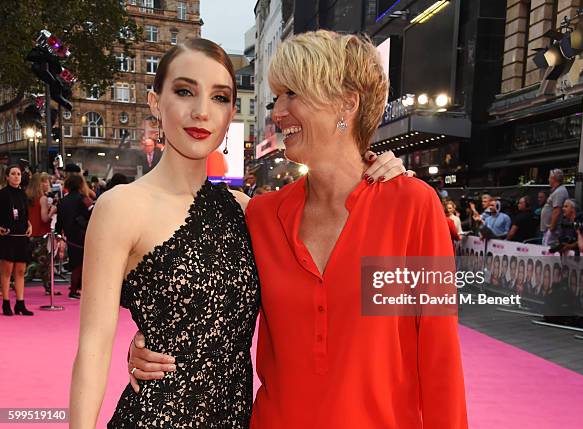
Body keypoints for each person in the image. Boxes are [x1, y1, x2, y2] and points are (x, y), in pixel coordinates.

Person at [129, 30, 466, 428]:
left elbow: (439, 355)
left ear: (348, 102)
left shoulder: (413, 207)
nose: (277, 111)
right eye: (277, 97)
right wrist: (150, 344)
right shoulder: (262, 216)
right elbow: (211, 308)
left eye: (293, 94)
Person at [69, 36, 407, 428]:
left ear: (231, 112)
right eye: (184, 91)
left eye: (219, 98)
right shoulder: (121, 207)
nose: (200, 112)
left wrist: (384, 170)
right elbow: (92, 347)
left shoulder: (250, 211)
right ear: (154, 102)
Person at [0, 166, 33, 316]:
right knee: (7, 270)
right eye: (13, 174)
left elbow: (25, 214)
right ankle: (6, 302)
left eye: (18, 174)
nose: (16, 176)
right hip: (7, 237)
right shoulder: (2, 194)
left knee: (20, 271)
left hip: (21, 237)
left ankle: (20, 303)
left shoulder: (23, 194)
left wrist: (30, 225)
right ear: (7, 177)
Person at [56, 174, 93, 300]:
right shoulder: (84, 199)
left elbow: (59, 221)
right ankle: (75, 289)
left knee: (75, 263)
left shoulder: (62, 201)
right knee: (83, 264)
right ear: (80, 185)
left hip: (69, 235)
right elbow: (93, 212)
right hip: (83, 234)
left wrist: (58, 233)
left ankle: (74, 288)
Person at [26, 172, 58, 295]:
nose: (48, 184)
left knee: (33, 262)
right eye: (46, 182)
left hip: (29, 233)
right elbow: (44, 218)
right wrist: (53, 211)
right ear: (41, 183)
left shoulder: (28, 197)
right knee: (44, 264)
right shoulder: (42, 198)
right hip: (41, 234)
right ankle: (49, 288)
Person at [540, 169, 569, 246]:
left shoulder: (559, 191)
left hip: (552, 230)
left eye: (549, 177)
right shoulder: (556, 191)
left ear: (554, 178)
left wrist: (552, 227)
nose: (548, 179)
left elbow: (557, 210)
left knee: (548, 250)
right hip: (548, 229)